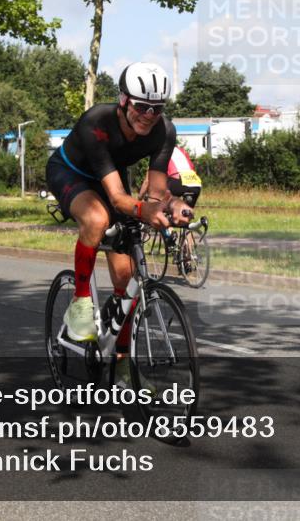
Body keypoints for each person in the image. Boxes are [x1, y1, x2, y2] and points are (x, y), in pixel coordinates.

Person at [45, 62, 192, 381]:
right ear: (124, 100)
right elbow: (115, 199)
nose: (149, 115)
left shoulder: (163, 130)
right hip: (71, 174)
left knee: (127, 281)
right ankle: (81, 303)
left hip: (112, 179)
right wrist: (144, 211)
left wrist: (171, 205)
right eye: (141, 106)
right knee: (97, 219)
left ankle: (123, 366)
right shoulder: (97, 122)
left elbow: (154, 192)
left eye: (157, 108)